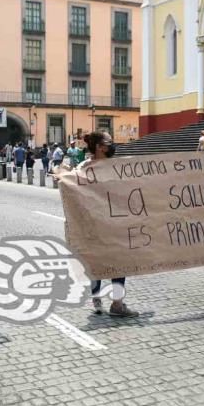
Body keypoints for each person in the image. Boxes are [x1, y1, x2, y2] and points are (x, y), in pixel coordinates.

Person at [81, 131, 139, 317]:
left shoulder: (117, 167)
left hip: (116, 223)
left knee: (120, 262)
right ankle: (96, 296)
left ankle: (117, 303)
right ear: (99, 147)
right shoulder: (84, 168)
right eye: (108, 142)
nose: (112, 145)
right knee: (96, 262)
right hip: (95, 224)